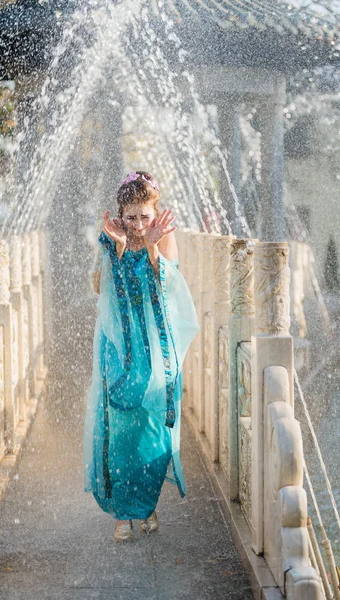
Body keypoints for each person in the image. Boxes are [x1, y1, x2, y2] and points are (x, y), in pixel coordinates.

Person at [83, 170, 199, 541]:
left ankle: (146, 506)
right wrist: (114, 249)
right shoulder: (113, 236)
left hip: (155, 348)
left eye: (143, 217)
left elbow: (168, 284)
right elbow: (98, 287)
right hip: (118, 347)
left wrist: (151, 245)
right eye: (130, 217)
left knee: (153, 432)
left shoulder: (162, 236)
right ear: (121, 213)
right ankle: (122, 514)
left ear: (154, 212)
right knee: (119, 430)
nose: (136, 224)